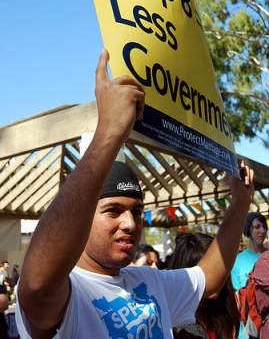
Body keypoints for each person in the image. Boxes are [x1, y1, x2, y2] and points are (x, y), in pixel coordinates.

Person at [15, 50, 254, 338]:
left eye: (137, 211)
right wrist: (109, 132)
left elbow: (210, 278)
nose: (130, 223)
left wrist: (240, 203)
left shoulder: (152, 282)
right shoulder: (70, 293)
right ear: (83, 218)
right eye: (113, 210)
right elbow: (38, 287)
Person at [168, 232, 240, 339]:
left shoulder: (225, 304)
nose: (214, 279)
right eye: (202, 274)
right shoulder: (178, 324)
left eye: (217, 270)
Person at [231, 212, 267, 338]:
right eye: (257, 227)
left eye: (264, 227)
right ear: (247, 230)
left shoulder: (268, 257)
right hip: (247, 331)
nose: (262, 231)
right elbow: (236, 300)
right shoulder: (237, 262)